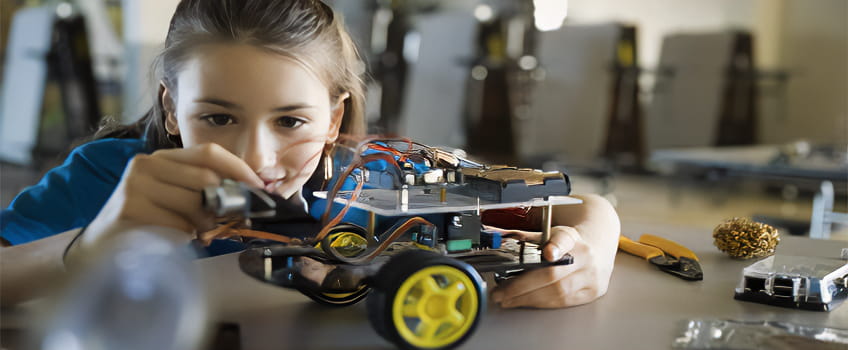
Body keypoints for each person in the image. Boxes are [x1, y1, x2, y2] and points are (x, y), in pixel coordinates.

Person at [0, 0, 620, 310]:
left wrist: (594, 243)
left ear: (335, 119)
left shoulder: (375, 179)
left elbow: (581, 207)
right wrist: (90, 245)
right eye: (217, 117)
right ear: (170, 109)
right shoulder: (107, 178)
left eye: (291, 121)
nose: (253, 157)